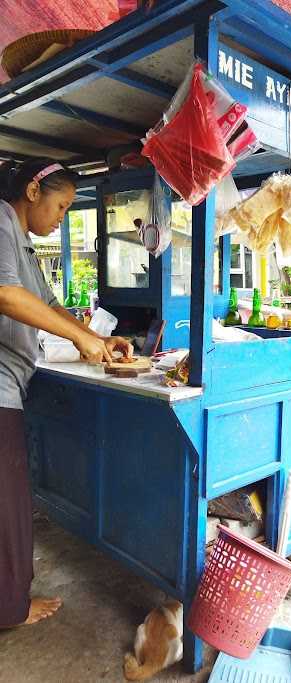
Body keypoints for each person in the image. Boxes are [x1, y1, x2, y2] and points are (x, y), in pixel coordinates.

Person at [0, 158, 133, 628]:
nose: (62, 216)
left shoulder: (25, 245)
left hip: (12, 384)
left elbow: (50, 303)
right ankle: (9, 609)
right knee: (8, 508)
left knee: (11, 501)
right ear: (33, 192)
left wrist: (96, 335)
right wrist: (80, 340)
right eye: (61, 205)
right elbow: (7, 295)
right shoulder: (0, 219)